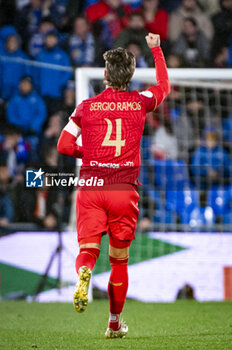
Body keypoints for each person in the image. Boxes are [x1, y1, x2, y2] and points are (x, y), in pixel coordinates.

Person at [57, 33, 170, 338]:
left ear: (105, 75)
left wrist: (89, 153)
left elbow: (64, 145)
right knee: (119, 260)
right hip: (124, 190)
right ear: (130, 76)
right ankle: (114, 323)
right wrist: (157, 50)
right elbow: (164, 88)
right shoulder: (140, 102)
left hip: (92, 186)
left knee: (88, 250)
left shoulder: (86, 107)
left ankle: (84, 271)